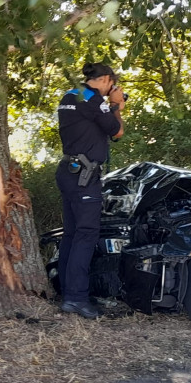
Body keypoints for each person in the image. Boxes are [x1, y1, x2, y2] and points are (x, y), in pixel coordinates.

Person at [55, 62, 126, 319]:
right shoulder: (93, 100)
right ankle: (76, 298)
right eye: (111, 85)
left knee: (72, 235)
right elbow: (117, 132)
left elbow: (96, 120)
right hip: (84, 177)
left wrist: (112, 105)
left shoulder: (71, 95)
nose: (111, 90)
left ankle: (68, 293)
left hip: (69, 172)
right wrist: (120, 106)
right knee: (86, 235)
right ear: (106, 79)